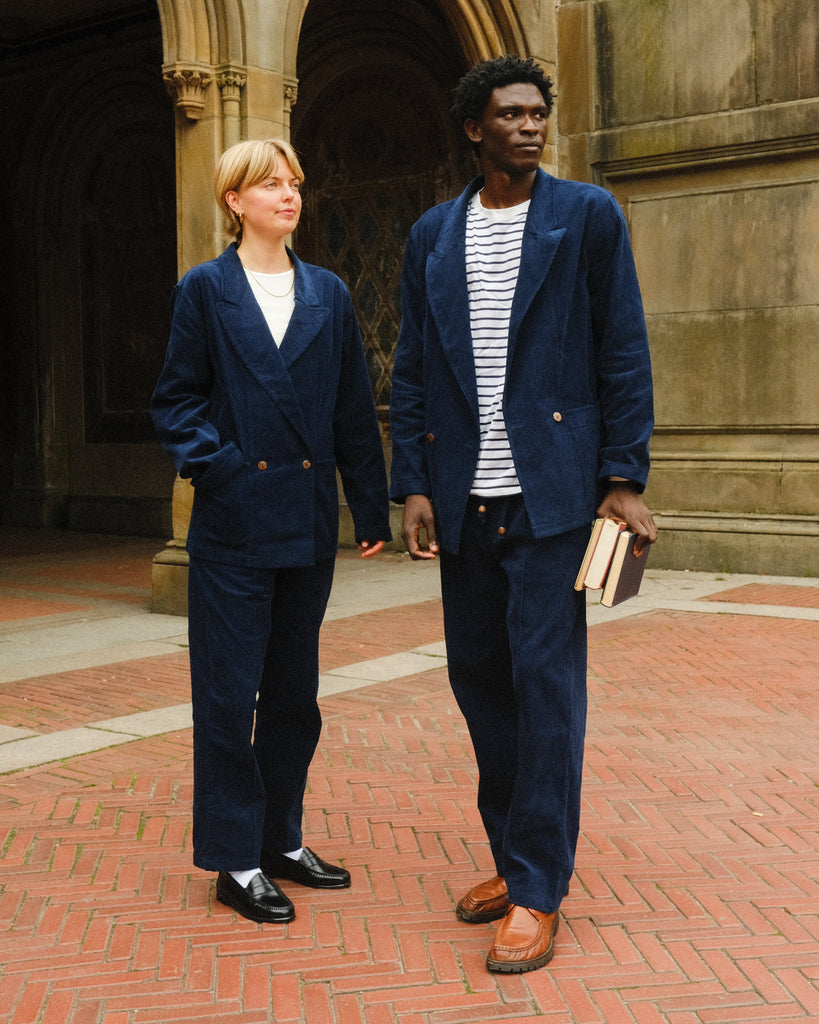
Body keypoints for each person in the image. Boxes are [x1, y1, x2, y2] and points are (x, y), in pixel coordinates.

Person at [389, 56, 657, 973]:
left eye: (537, 113)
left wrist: (623, 476)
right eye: (509, 114)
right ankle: (512, 858)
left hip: (550, 502)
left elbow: (621, 345)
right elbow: (414, 365)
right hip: (464, 501)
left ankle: (536, 891)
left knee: (546, 693)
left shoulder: (586, 217)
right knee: (481, 686)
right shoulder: (432, 233)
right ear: (474, 128)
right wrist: (413, 484)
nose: (529, 126)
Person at [151, 138, 391, 924]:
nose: (288, 195)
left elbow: (354, 409)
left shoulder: (327, 291)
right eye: (270, 184)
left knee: (294, 697)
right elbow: (177, 402)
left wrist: (371, 505)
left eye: (294, 181)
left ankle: (280, 837)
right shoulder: (205, 291)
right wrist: (217, 466)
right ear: (234, 201)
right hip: (232, 528)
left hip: (307, 523)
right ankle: (234, 858)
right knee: (227, 698)